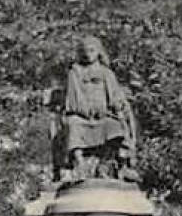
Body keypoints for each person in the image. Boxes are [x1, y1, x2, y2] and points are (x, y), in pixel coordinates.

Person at [57, 35, 138, 182]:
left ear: (99, 52)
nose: (88, 54)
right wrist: (87, 111)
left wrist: (118, 104)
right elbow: (73, 97)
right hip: (81, 115)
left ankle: (108, 163)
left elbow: (115, 94)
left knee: (114, 126)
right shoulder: (75, 72)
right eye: (85, 51)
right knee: (74, 126)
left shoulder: (106, 73)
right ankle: (79, 164)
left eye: (92, 50)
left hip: (104, 115)